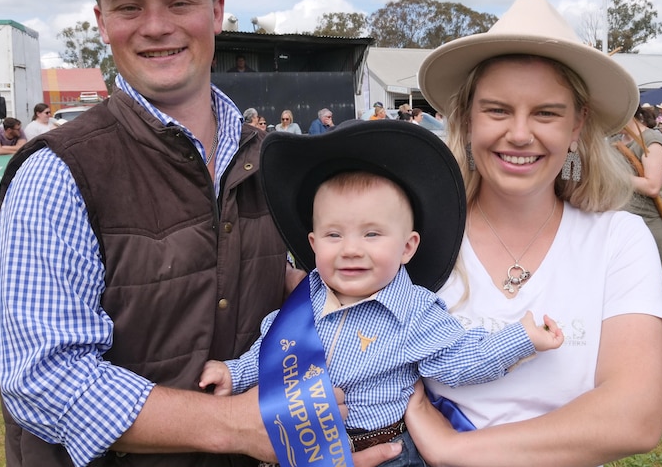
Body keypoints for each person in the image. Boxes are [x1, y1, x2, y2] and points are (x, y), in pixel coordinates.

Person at [0, 0, 359, 467]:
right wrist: (233, 426)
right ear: (102, 23)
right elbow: (44, 381)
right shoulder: (58, 172)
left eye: (178, 1)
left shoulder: (270, 161)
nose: (156, 26)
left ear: (215, 12)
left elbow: (279, 296)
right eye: (130, 6)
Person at [407, 0, 662, 467]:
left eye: (546, 113)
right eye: (497, 110)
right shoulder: (415, 239)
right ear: (468, 118)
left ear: (578, 125)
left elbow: (635, 415)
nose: (519, 133)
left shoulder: (619, 240)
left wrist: (455, 450)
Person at [199, 120, 563, 465]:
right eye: (333, 235)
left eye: (372, 234)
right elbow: (272, 355)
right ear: (313, 245)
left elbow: (462, 359)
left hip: (385, 450)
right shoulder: (302, 303)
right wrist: (235, 374)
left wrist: (522, 338)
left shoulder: (415, 312)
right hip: (309, 446)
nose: (351, 249)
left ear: (407, 247)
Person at [618, 106, 662, 373]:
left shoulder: (652, 140)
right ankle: (637, 352)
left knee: (655, 295)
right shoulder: (614, 141)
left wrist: (617, 176)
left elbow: (653, 185)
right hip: (622, 228)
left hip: (649, 228)